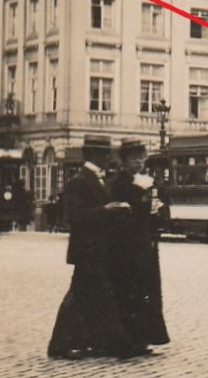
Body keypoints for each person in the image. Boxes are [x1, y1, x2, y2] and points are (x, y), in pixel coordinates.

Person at [47, 159, 147, 359]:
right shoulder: (78, 181)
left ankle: (93, 342)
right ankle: (63, 345)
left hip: (98, 249)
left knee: (89, 297)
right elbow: (74, 217)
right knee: (82, 297)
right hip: (85, 250)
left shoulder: (100, 180)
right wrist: (106, 210)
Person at [108, 143, 170, 351]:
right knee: (130, 291)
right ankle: (128, 339)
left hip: (144, 242)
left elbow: (155, 211)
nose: (139, 163)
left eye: (142, 159)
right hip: (126, 245)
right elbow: (121, 214)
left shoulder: (146, 183)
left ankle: (143, 336)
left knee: (145, 289)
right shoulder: (119, 183)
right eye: (135, 159)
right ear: (124, 161)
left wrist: (158, 212)